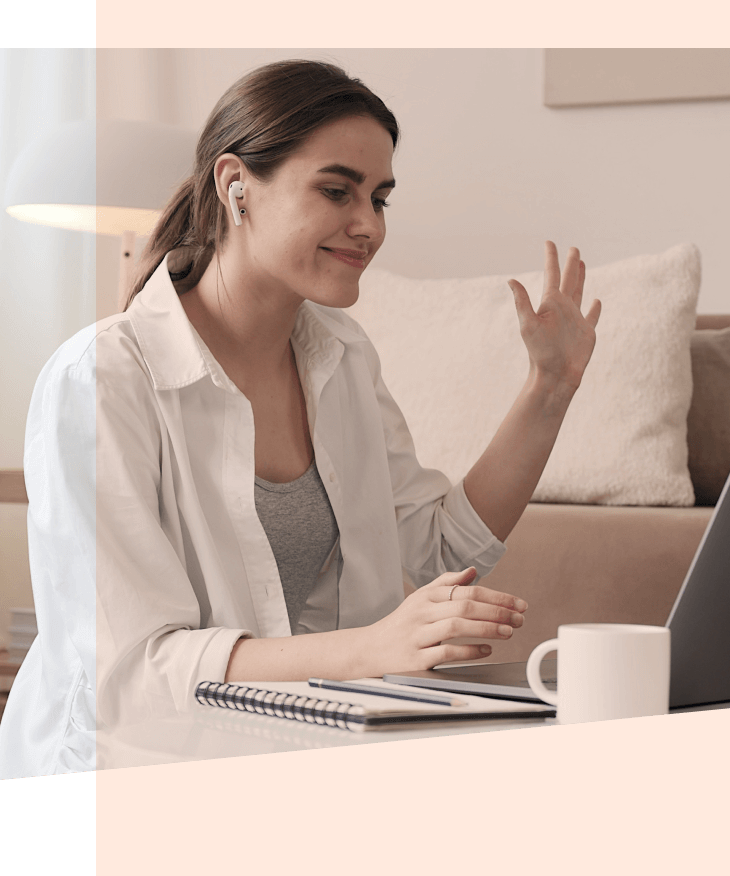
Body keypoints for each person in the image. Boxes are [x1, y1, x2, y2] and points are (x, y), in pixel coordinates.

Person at [0, 59, 601, 778]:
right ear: (235, 187)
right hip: (134, 764)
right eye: (336, 190)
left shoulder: (341, 356)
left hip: (300, 746)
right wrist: (375, 647)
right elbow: (133, 671)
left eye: (379, 198)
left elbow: (439, 548)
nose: (367, 225)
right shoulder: (101, 379)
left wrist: (549, 389)